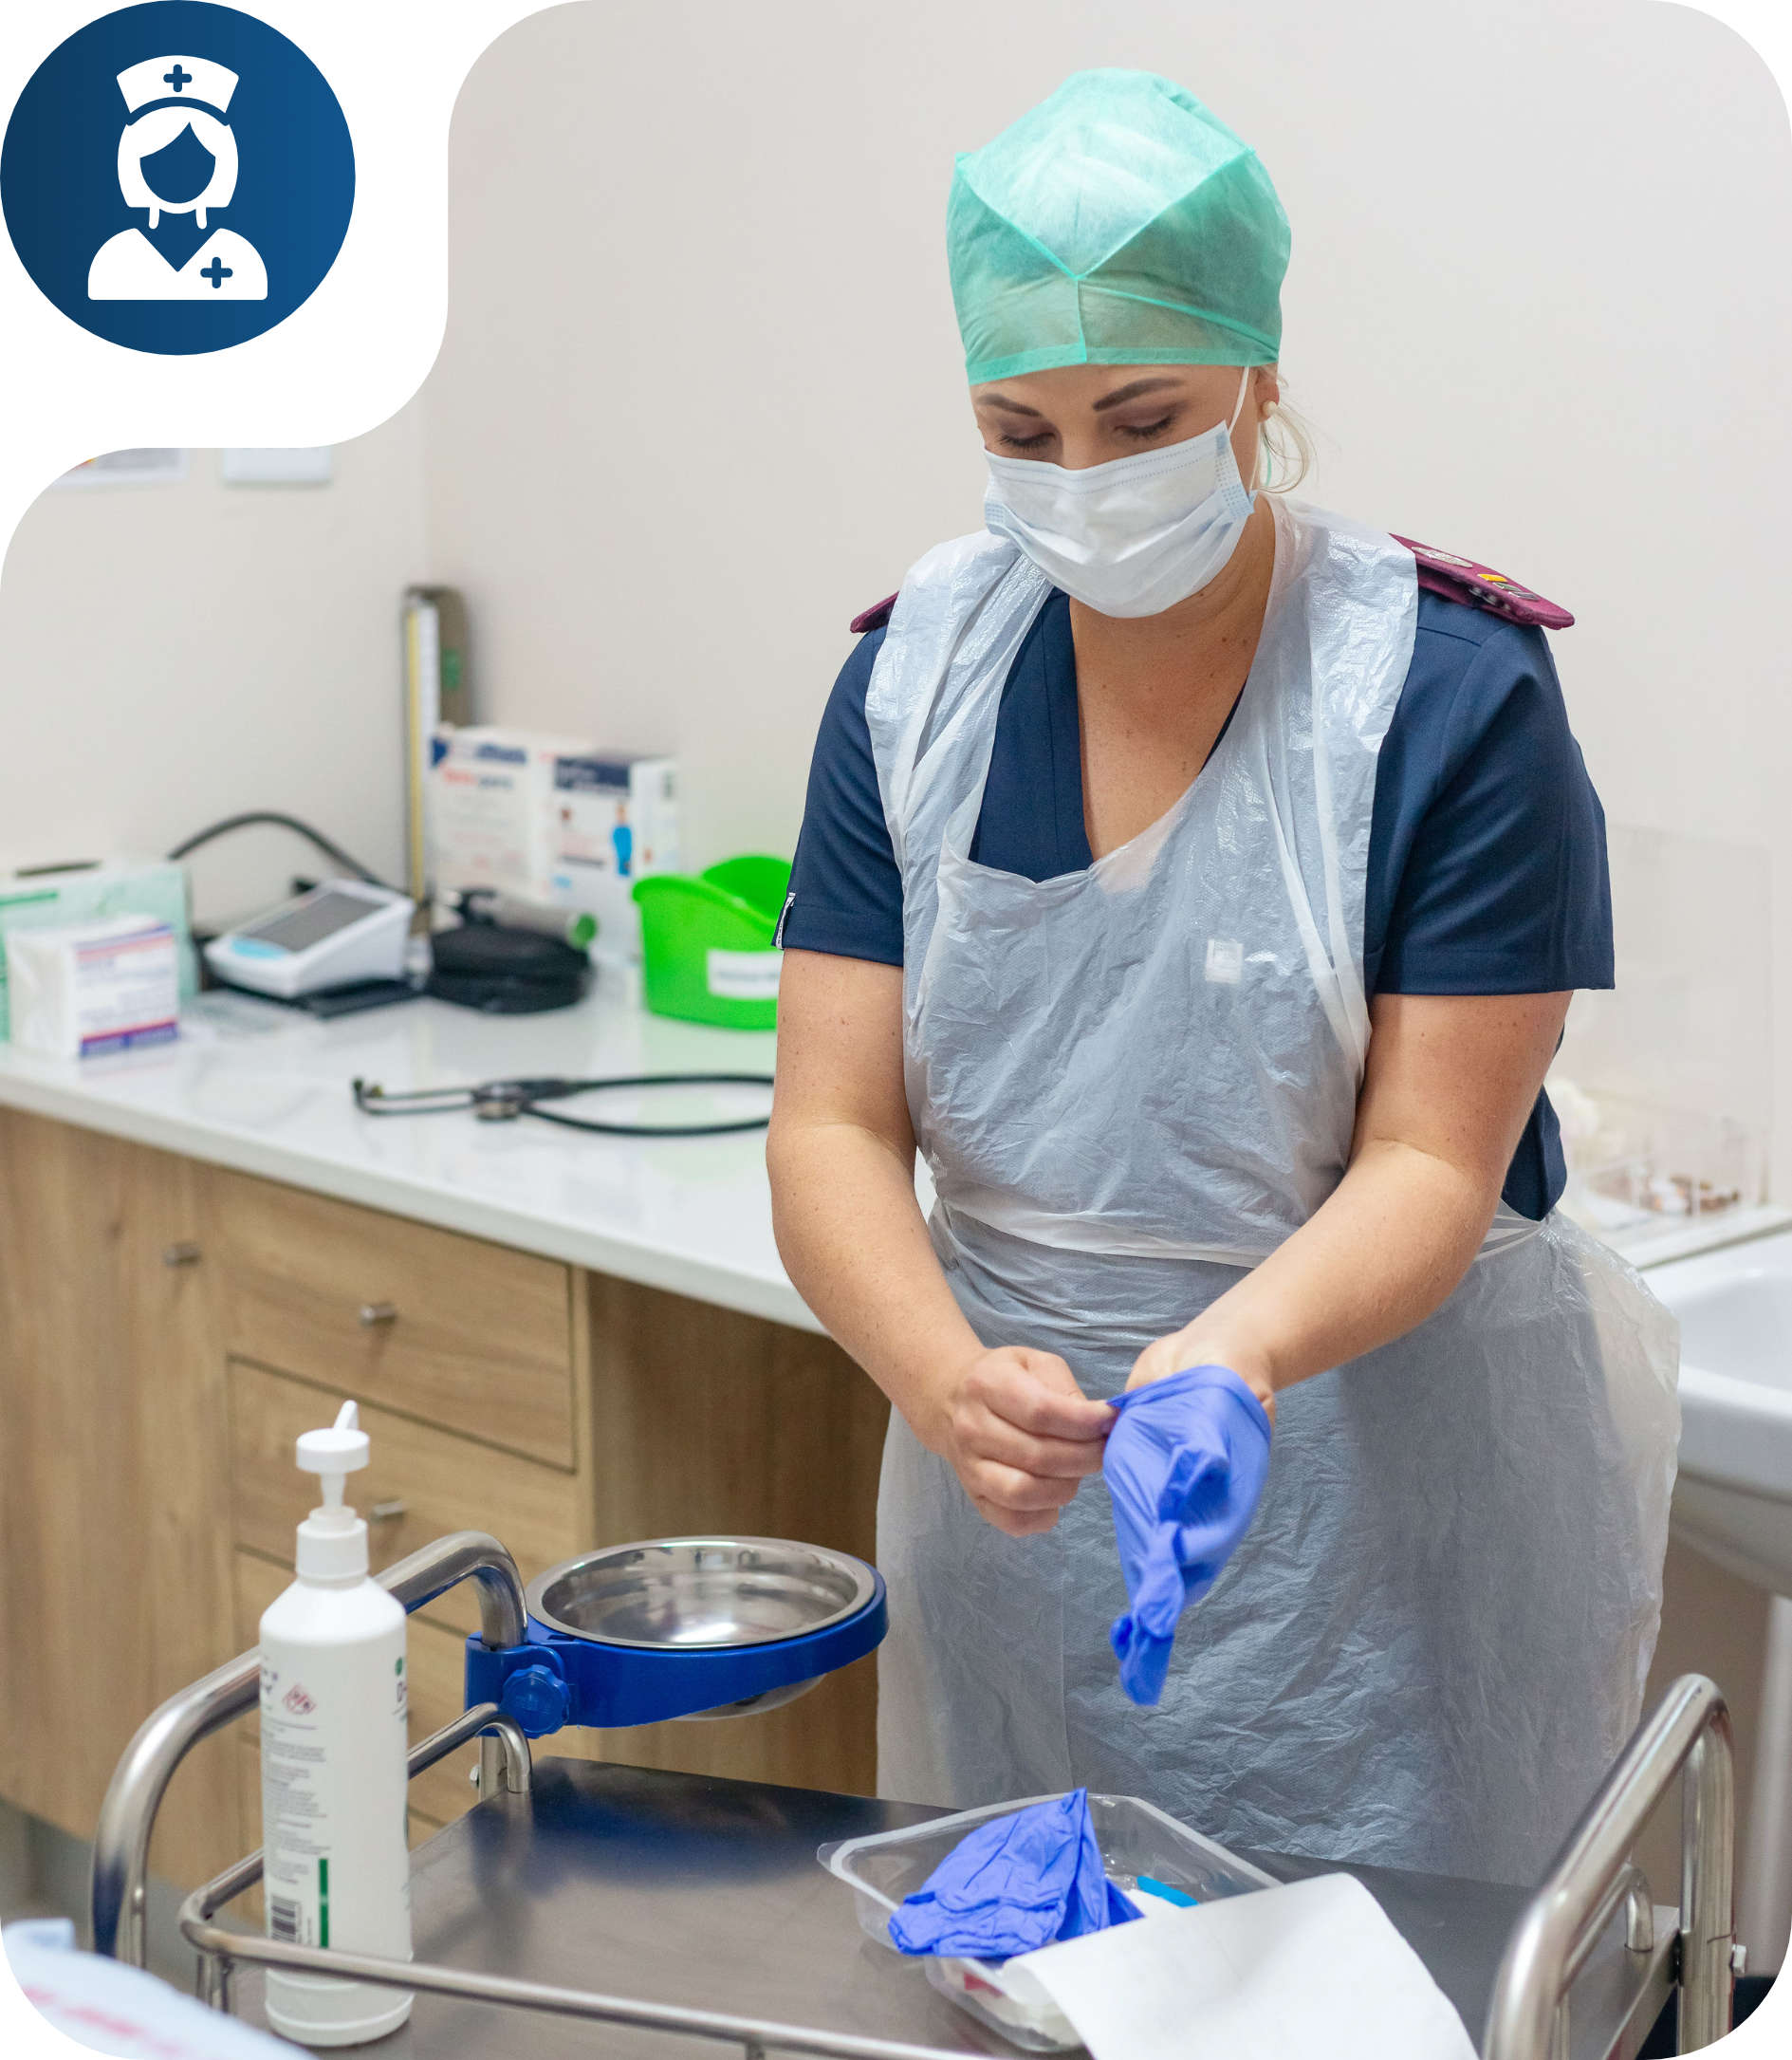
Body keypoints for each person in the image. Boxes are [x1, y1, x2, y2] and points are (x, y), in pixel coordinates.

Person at [766, 70, 1679, 1887]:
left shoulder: (1435, 692)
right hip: (1016, 1490)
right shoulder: (912, 683)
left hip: (1383, 1489)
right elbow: (829, 1123)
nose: (1083, 482)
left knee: (1374, 1963)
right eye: (1019, 431)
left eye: (1142, 414)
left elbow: (1434, 1161)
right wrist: (946, 1378)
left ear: (1257, 375)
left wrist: (1231, 1361)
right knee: (1035, 1955)